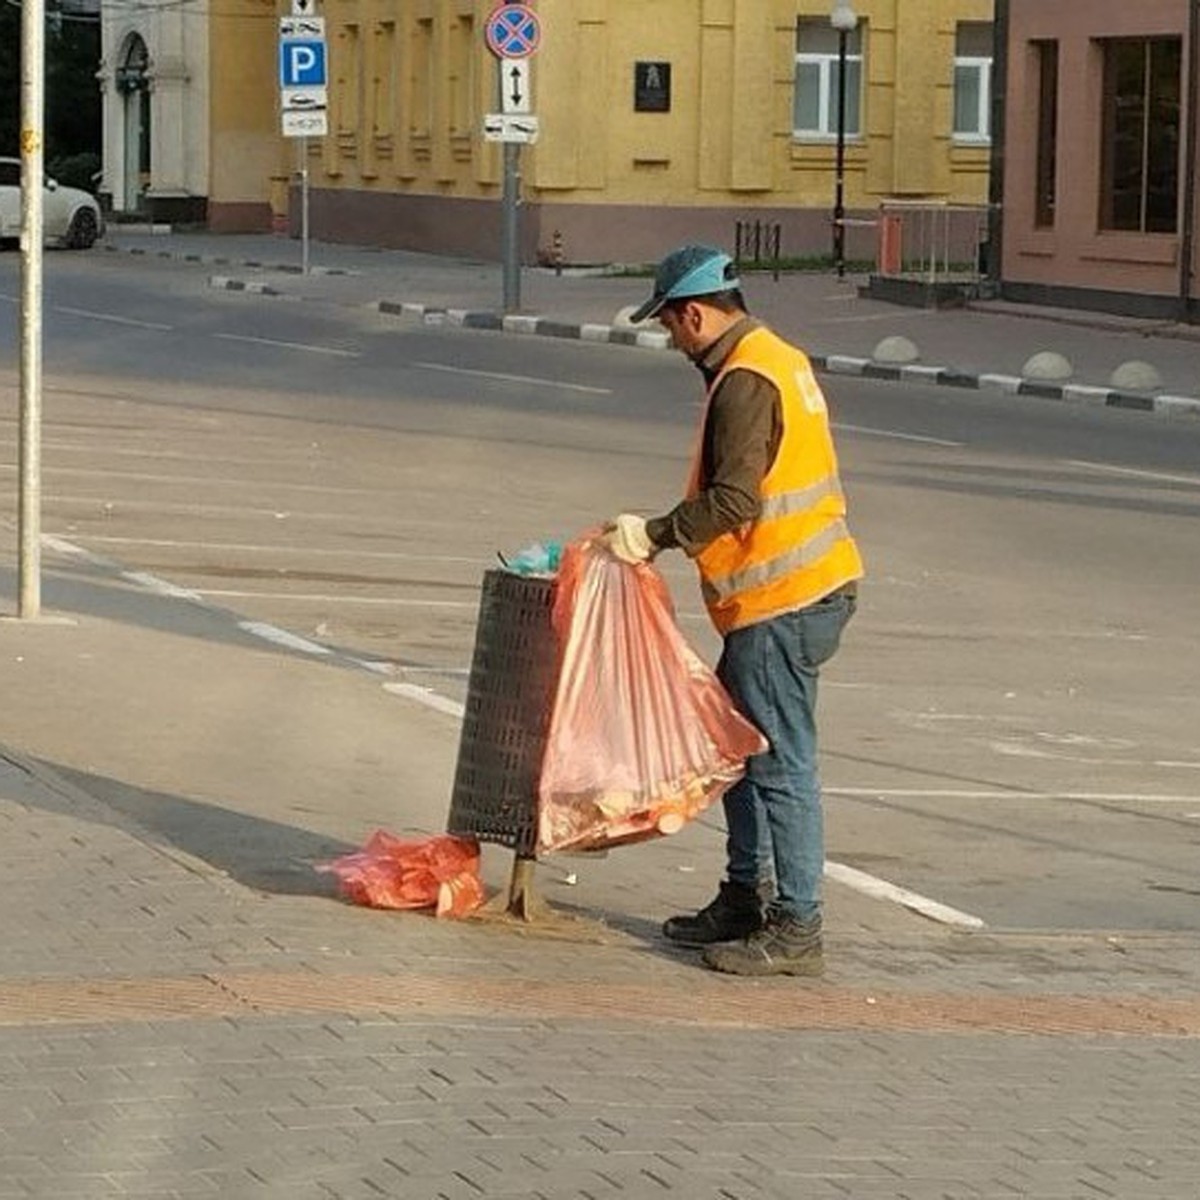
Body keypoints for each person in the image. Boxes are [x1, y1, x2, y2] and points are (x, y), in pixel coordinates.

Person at [599, 244, 863, 978]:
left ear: (693, 314)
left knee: (779, 764)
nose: (673, 342)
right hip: (787, 596)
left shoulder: (747, 378)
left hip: (786, 599)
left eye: (670, 328)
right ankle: (746, 897)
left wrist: (653, 535)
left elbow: (736, 500)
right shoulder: (776, 356)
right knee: (738, 752)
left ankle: (797, 924)